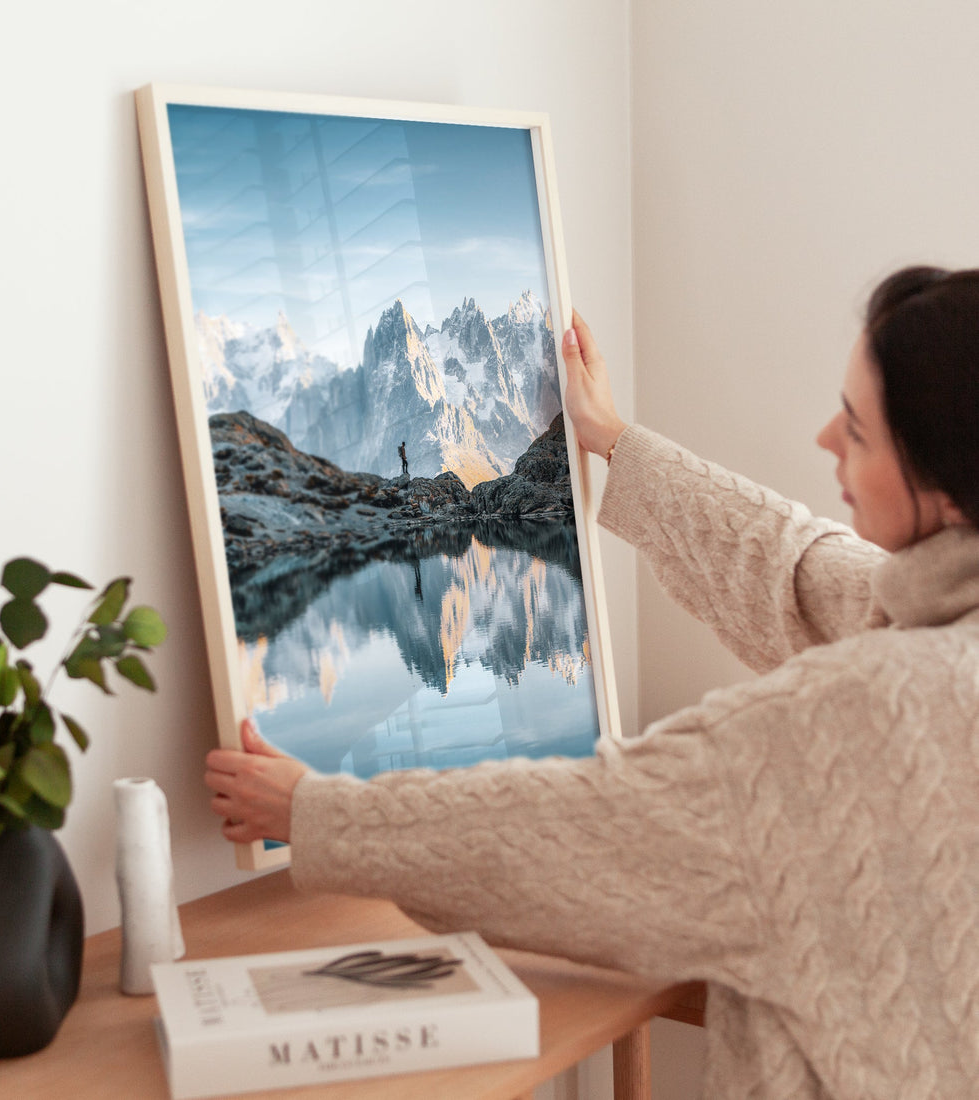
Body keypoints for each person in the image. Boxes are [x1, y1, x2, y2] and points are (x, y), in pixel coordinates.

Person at [204, 266, 979, 1099]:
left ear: (943, 487)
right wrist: (613, 440)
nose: (826, 437)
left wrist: (314, 813)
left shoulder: (857, 717)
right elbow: (796, 569)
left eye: (858, 432)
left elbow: (582, 827)